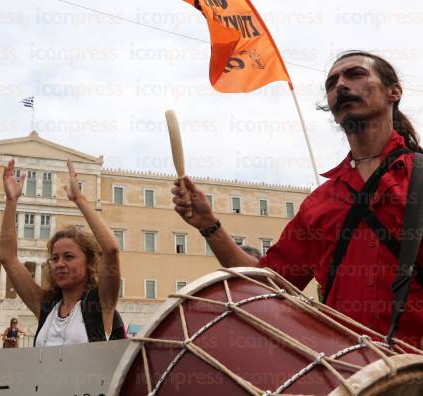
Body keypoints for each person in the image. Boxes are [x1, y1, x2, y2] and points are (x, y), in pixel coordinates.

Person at [171, 51, 423, 347]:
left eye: (355, 75)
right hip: (349, 374)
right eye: (331, 83)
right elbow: (265, 284)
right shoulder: (321, 202)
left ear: (394, 92)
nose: (340, 85)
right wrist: (209, 224)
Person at [0, 159, 126, 346]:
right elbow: (7, 258)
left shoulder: (100, 303)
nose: (59, 264)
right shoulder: (45, 305)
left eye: (69, 257)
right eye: (55, 258)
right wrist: (11, 202)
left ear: (90, 263)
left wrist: (79, 199)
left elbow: (111, 249)